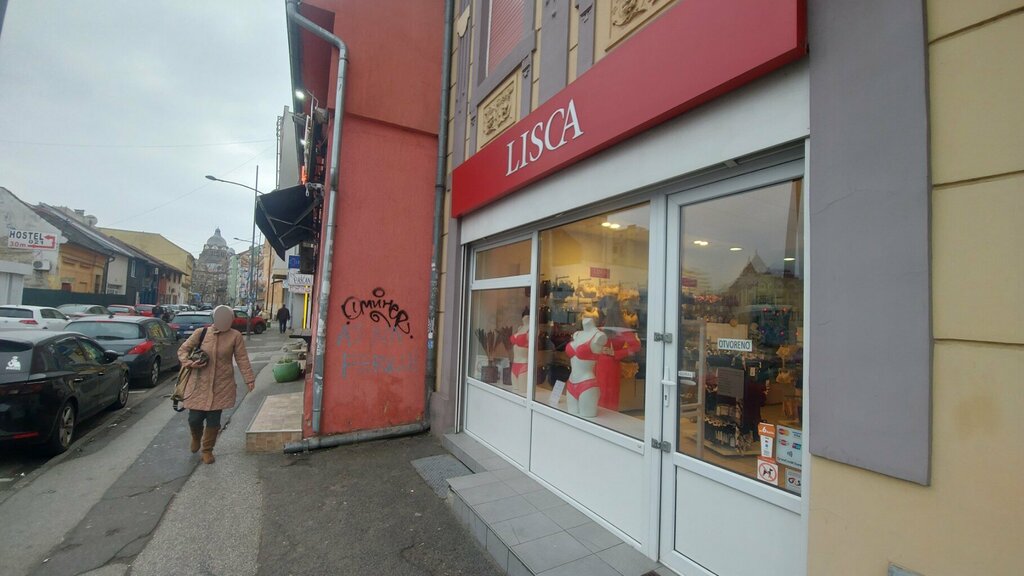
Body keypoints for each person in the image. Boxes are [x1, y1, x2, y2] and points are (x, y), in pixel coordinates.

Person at [177, 305, 255, 464]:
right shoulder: (201, 333)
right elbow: (183, 350)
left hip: (222, 384)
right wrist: (189, 362)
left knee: (213, 421)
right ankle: (196, 437)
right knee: (194, 418)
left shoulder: (235, 336)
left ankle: (207, 450)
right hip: (199, 382)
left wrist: (249, 379)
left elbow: (242, 359)